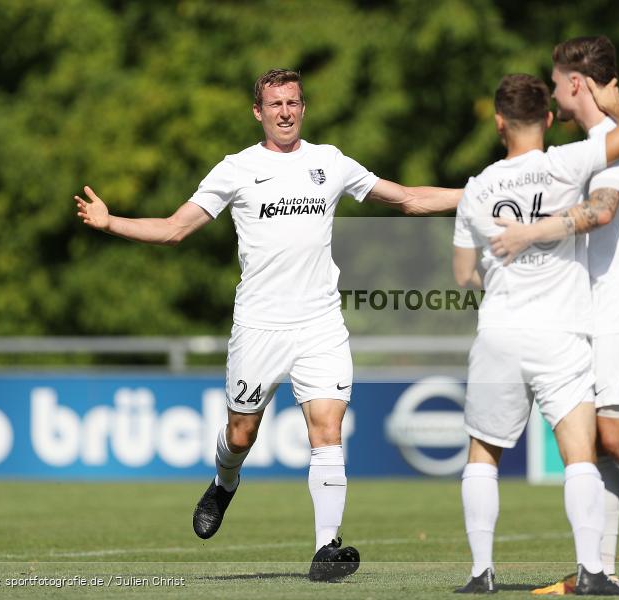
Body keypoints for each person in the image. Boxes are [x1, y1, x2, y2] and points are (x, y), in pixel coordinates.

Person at [74, 68, 461, 582]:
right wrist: (111, 222)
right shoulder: (237, 169)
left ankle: (326, 549)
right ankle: (224, 482)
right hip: (259, 326)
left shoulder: (331, 163)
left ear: (303, 108)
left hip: (320, 324)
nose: (285, 112)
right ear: (258, 112)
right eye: (275, 104)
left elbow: (409, 198)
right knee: (241, 433)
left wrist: (475, 194)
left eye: (293, 103)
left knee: (327, 430)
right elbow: (173, 229)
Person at [489, 36, 619, 595]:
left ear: (576, 84)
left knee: (618, 436)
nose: (553, 92)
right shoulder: (599, 139)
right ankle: (595, 572)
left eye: (556, 82)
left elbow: (602, 212)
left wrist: (532, 231)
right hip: (598, 310)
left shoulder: (611, 139)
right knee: (598, 442)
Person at [452, 72, 619, 596]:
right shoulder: (568, 161)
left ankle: (480, 574)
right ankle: (590, 570)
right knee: (578, 453)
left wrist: (498, 280)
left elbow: (461, 274)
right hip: (560, 332)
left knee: (483, 455)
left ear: (498, 123)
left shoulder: (476, 188)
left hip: (498, 331)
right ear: (546, 119)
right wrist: (610, 99)